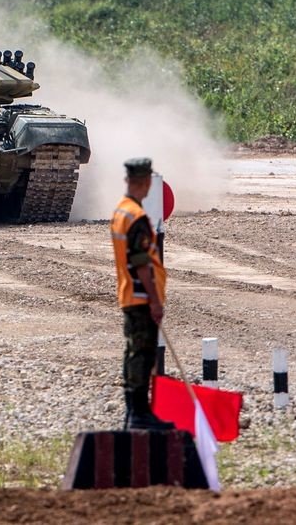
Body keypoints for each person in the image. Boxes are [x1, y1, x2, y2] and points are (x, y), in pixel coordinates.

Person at [111, 158, 174, 431]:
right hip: (141, 296)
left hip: (128, 292)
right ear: (146, 182)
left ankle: (133, 412)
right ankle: (138, 413)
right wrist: (155, 301)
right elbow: (141, 263)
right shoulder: (136, 217)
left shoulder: (120, 211)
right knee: (142, 354)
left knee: (133, 353)